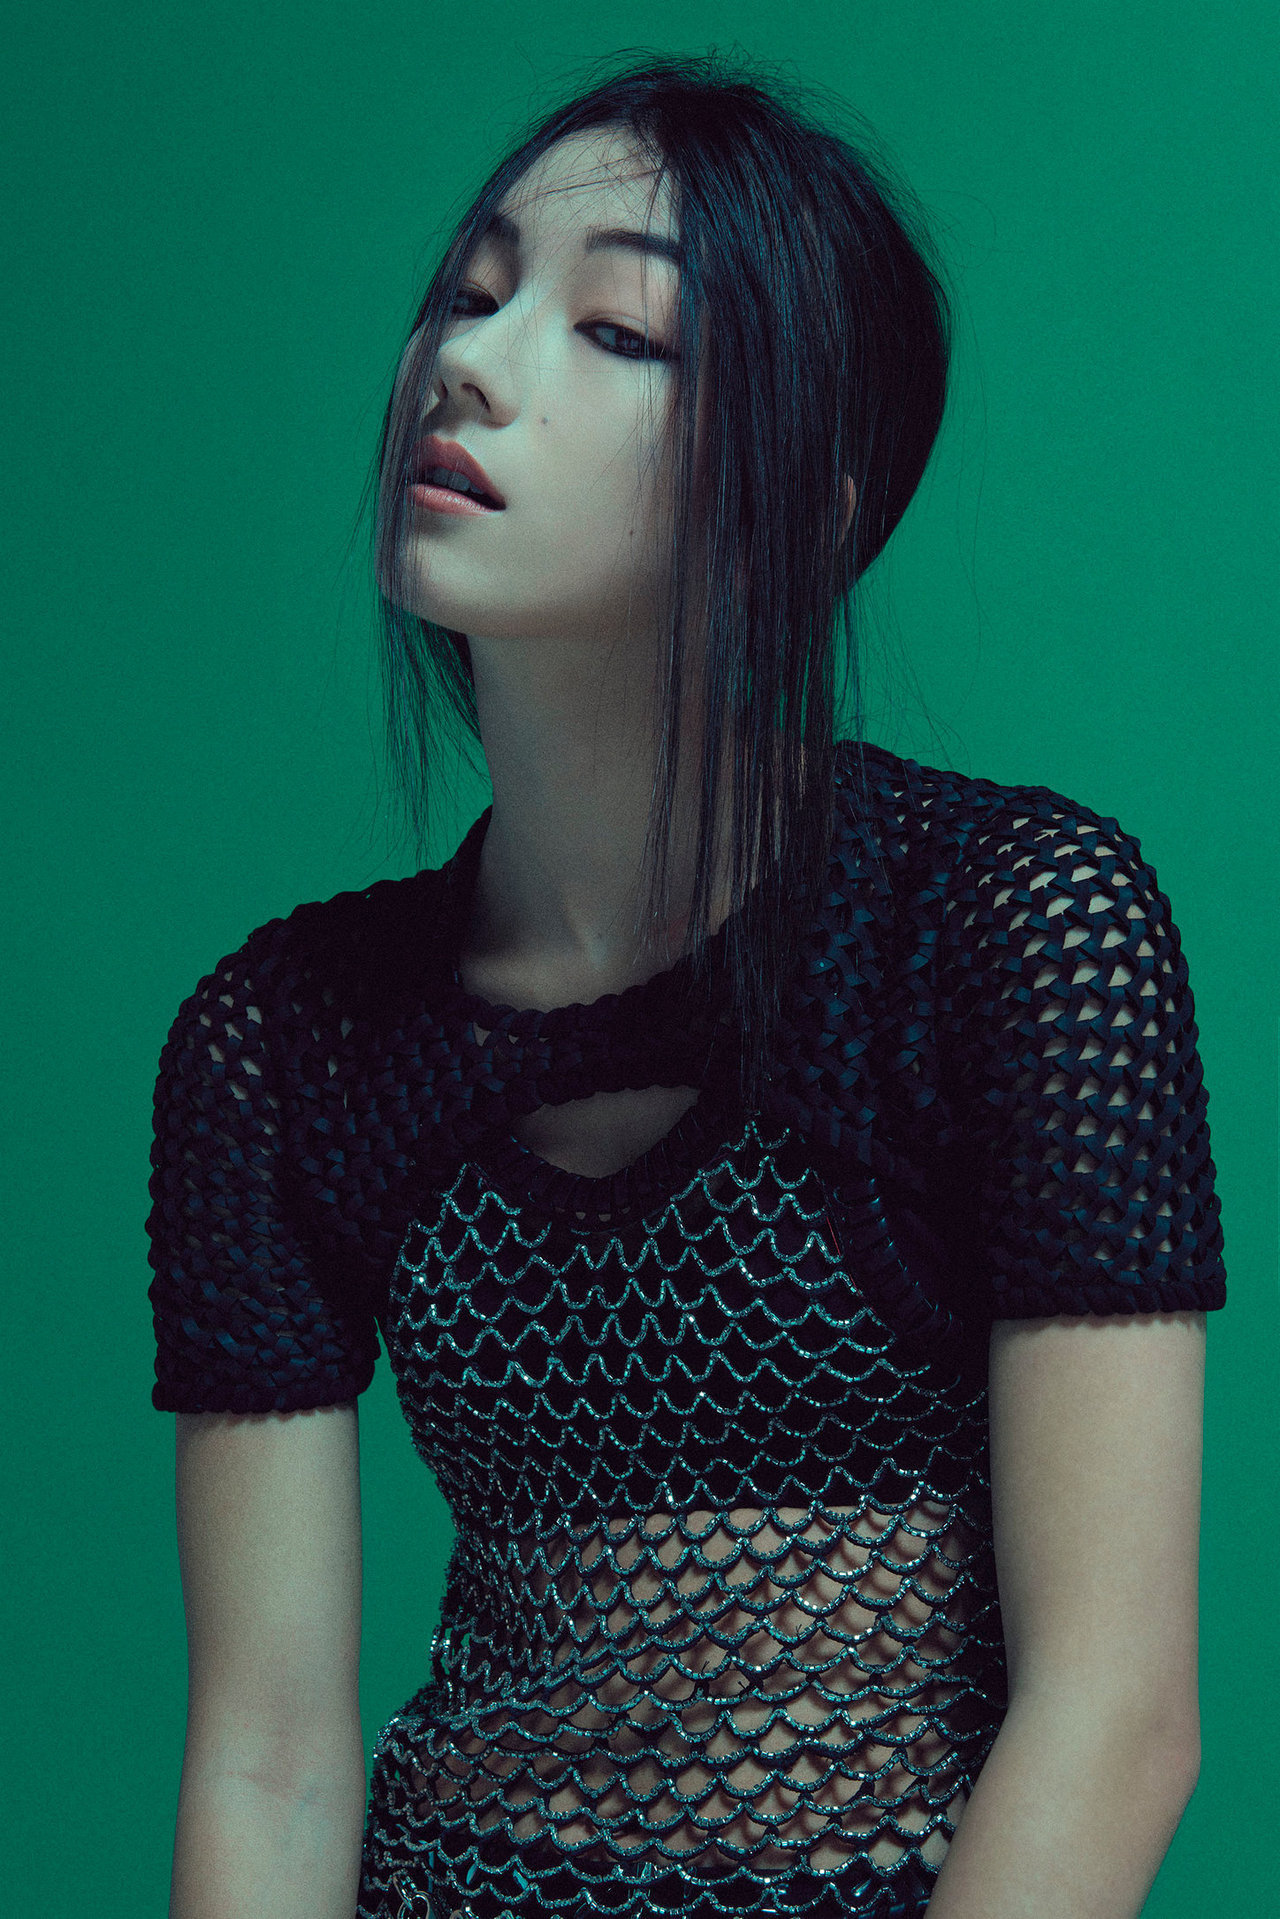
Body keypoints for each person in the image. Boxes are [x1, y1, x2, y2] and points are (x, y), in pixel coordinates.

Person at [146, 52, 1226, 1919]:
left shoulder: (1016, 926)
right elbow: (269, 1754)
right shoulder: (278, 1041)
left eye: (617, 333)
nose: (469, 364)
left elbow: (1117, 1718)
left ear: (797, 507)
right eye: (469, 295)